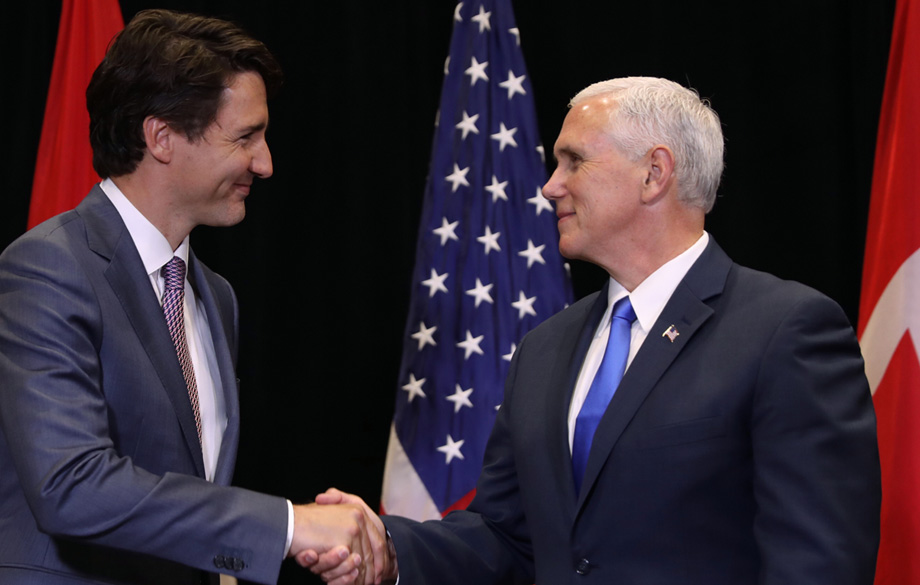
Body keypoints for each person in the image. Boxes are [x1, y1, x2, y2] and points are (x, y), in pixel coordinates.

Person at [303, 76, 881, 585]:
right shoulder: (545, 347)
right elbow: (509, 538)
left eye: (573, 161)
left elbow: (818, 562)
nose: (550, 185)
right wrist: (388, 549)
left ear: (654, 173)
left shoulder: (786, 329)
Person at [0, 10, 383, 585]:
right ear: (161, 137)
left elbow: (185, 497)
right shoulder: (47, 268)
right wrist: (286, 526)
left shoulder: (217, 297)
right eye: (246, 137)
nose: (265, 162)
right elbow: (71, 486)